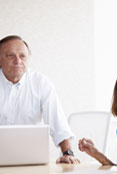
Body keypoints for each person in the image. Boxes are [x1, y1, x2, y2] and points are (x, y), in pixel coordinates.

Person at [0, 35, 79, 164]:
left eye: (22, 56)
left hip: (30, 160)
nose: (18, 61)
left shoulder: (41, 83)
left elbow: (57, 122)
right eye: (10, 55)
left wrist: (67, 153)